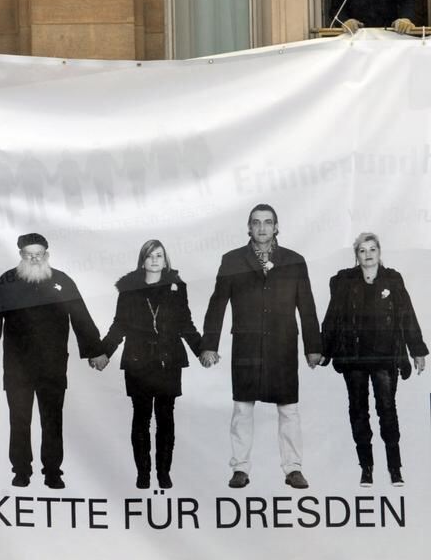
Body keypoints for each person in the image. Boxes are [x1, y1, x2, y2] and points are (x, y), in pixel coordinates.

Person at [200, 204, 322, 489]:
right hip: (247, 344)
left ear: (276, 227)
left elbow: (307, 306)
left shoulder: (294, 261)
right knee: (242, 409)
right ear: (249, 228)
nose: (262, 228)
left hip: (283, 344)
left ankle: (293, 468)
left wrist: (313, 346)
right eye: (256, 222)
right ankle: (240, 468)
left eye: (268, 222)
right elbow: (217, 304)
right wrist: (209, 344)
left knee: (289, 409)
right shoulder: (232, 260)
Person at [0, 233, 109, 489]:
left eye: (39, 254)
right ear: (20, 255)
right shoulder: (7, 281)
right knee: (19, 421)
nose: (35, 259)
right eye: (29, 255)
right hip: (17, 366)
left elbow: (80, 316)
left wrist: (95, 350)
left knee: (52, 420)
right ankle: (21, 470)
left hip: (53, 365)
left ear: (46, 255)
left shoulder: (62, 281)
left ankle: (53, 472)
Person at [320, 232, 427, 487]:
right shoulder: (345, 281)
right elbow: (333, 317)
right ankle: (366, 468)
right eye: (362, 250)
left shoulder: (393, 280)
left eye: (372, 249)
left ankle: (394, 468)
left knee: (387, 409)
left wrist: (417, 350)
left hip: (385, 357)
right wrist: (323, 350)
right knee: (358, 411)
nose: (368, 255)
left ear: (379, 252)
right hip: (354, 357)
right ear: (356, 255)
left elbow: (407, 315)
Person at [101, 240, 201, 490]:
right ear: (142, 260)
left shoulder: (177, 288)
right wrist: (103, 353)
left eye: (159, 255)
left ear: (166, 260)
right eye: (150, 256)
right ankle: (143, 473)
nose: (155, 260)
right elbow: (119, 325)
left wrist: (203, 350)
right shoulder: (129, 289)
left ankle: (163, 473)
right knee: (141, 417)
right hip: (138, 360)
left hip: (169, 360)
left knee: (166, 418)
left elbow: (186, 323)